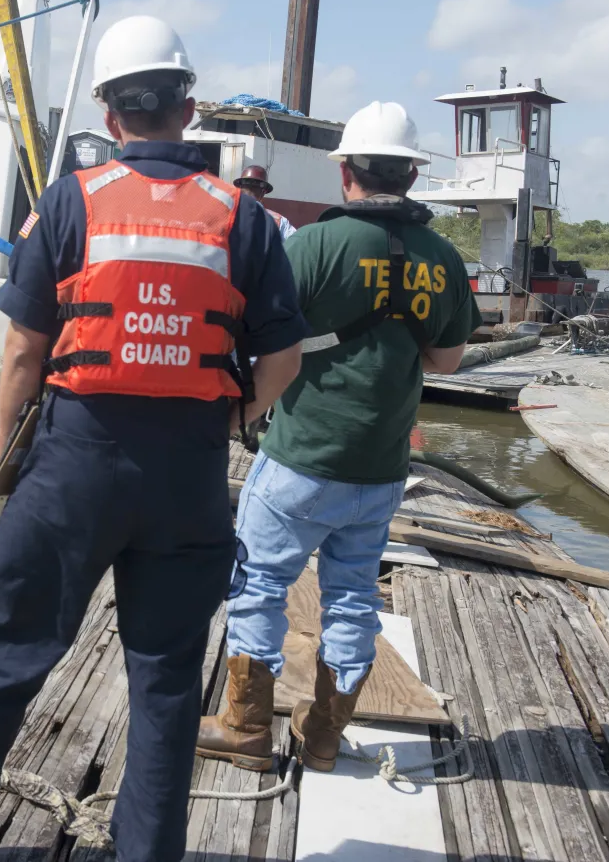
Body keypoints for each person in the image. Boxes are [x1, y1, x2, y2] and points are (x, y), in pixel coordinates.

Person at [0, 16, 306, 862]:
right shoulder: (242, 218)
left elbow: (23, 351)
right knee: (168, 679)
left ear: (110, 116)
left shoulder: (70, 202)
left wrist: (14, 458)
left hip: (74, 463)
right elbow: (283, 357)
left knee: (1, 649)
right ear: (187, 107)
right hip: (187, 472)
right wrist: (228, 419)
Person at [195, 101, 482, 772]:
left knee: (261, 585)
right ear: (413, 173)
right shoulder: (444, 259)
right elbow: (446, 362)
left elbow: (255, 336)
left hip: (300, 459)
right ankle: (323, 734)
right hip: (381, 471)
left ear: (346, 172)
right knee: (352, 596)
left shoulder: (314, 245)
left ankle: (245, 730)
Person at [234, 164, 296, 241]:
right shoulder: (279, 221)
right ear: (263, 192)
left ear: (239, 190)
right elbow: (296, 245)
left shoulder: (226, 214)